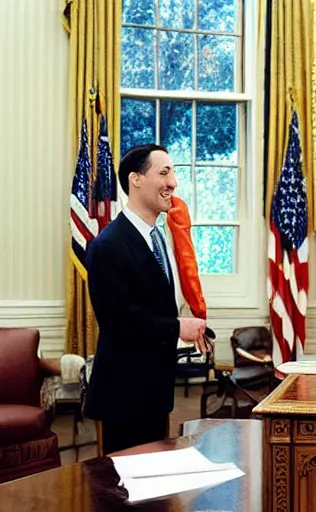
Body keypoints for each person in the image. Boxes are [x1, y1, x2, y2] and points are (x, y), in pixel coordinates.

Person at [84, 143, 207, 455]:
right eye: (164, 173)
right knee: (126, 496)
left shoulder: (159, 237)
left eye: (173, 173)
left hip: (155, 390)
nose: (173, 183)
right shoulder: (108, 245)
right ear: (135, 180)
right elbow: (119, 322)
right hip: (125, 395)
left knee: (157, 493)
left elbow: (154, 305)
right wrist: (177, 327)